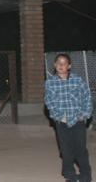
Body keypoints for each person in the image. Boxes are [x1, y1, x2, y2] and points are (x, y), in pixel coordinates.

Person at [45, 53, 93, 182]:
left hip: (78, 120)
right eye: (58, 63)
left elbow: (87, 97)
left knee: (80, 149)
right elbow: (49, 101)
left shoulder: (77, 80)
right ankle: (69, 175)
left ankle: (85, 175)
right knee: (66, 150)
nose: (61, 65)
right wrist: (56, 116)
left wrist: (84, 114)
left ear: (69, 66)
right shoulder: (50, 83)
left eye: (64, 63)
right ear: (55, 65)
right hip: (62, 122)